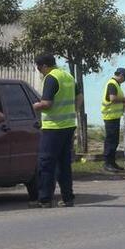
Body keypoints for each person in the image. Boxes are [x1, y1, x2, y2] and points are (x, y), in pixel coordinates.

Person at [31, 53, 82, 208]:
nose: (39, 71)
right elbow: (79, 97)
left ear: (44, 66)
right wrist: (73, 110)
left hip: (53, 127)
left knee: (46, 163)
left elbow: (47, 103)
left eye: (39, 68)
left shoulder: (51, 78)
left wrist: (35, 106)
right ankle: (68, 198)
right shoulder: (68, 76)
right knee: (64, 164)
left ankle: (44, 199)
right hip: (68, 125)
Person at [101, 67, 125, 173]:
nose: (124, 81)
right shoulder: (112, 84)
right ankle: (107, 163)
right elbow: (112, 98)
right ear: (121, 75)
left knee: (114, 141)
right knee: (110, 141)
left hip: (114, 116)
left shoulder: (116, 84)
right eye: (124, 78)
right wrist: (124, 99)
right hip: (110, 116)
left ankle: (112, 162)